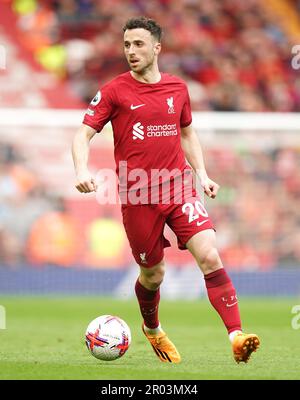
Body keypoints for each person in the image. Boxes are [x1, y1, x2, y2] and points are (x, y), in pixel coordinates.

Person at [72, 16, 260, 364]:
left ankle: (236, 335)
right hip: (138, 196)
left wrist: (201, 174)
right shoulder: (114, 91)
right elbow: (82, 134)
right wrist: (81, 169)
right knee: (153, 274)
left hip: (179, 188)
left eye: (139, 44)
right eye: (127, 44)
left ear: (157, 47)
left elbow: (187, 132)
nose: (131, 51)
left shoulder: (177, 88)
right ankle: (152, 328)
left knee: (209, 254)